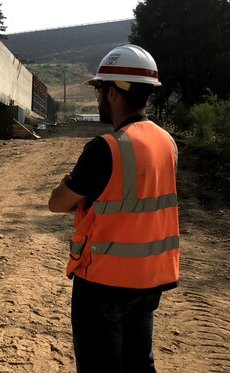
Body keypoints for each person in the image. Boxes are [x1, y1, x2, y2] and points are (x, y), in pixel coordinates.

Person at [48, 44, 180, 373]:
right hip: (150, 278)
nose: (97, 98)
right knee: (139, 362)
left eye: (99, 90)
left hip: (104, 281)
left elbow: (57, 203)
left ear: (111, 93)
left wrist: (70, 183)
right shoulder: (167, 142)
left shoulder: (105, 148)